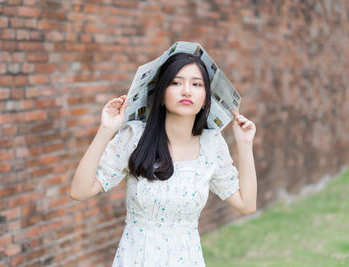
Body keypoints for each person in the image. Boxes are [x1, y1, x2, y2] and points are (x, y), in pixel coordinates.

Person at [70, 52, 257, 266]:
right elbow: (79, 191)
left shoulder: (211, 145)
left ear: (206, 97)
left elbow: (247, 204)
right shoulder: (136, 137)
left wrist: (245, 144)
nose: (186, 90)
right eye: (176, 82)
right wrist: (106, 130)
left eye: (196, 85)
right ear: (161, 92)